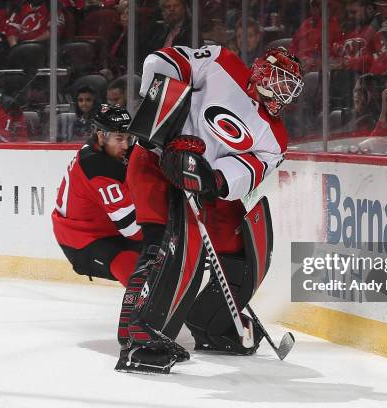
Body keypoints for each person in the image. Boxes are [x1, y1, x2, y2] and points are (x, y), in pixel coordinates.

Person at [116, 45, 303, 373]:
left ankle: (215, 324)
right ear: (261, 69)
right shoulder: (223, 61)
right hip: (155, 164)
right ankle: (139, 336)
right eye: (280, 79)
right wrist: (163, 122)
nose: (283, 92)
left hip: (199, 184)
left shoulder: (275, 137)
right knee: (163, 245)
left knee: (238, 252)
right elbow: (163, 61)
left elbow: (247, 172)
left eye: (290, 87)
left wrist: (210, 179)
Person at [52, 104, 142, 286]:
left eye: (129, 138)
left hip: (107, 229)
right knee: (135, 266)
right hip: (81, 240)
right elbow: (132, 229)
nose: (126, 145)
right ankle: (144, 303)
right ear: (101, 136)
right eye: (119, 138)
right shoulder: (97, 166)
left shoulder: (106, 151)